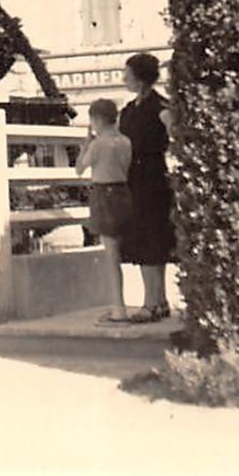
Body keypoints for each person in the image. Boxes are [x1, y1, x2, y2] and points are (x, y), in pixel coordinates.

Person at [117, 52, 177, 323]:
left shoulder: (159, 107)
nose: (124, 79)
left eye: (127, 74)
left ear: (140, 78)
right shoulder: (129, 110)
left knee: (153, 239)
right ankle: (157, 301)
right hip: (134, 178)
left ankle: (152, 303)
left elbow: (175, 131)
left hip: (153, 178)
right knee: (143, 240)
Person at [76, 98, 134, 323]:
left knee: (110, 255)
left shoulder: (98, 144)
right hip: (123, 191)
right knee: (120, 251)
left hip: (103, 194)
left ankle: (118, 307)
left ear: (97, 120)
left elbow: (80, 169)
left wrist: (85, 146)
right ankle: (120, 305)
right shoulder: (125, 141)